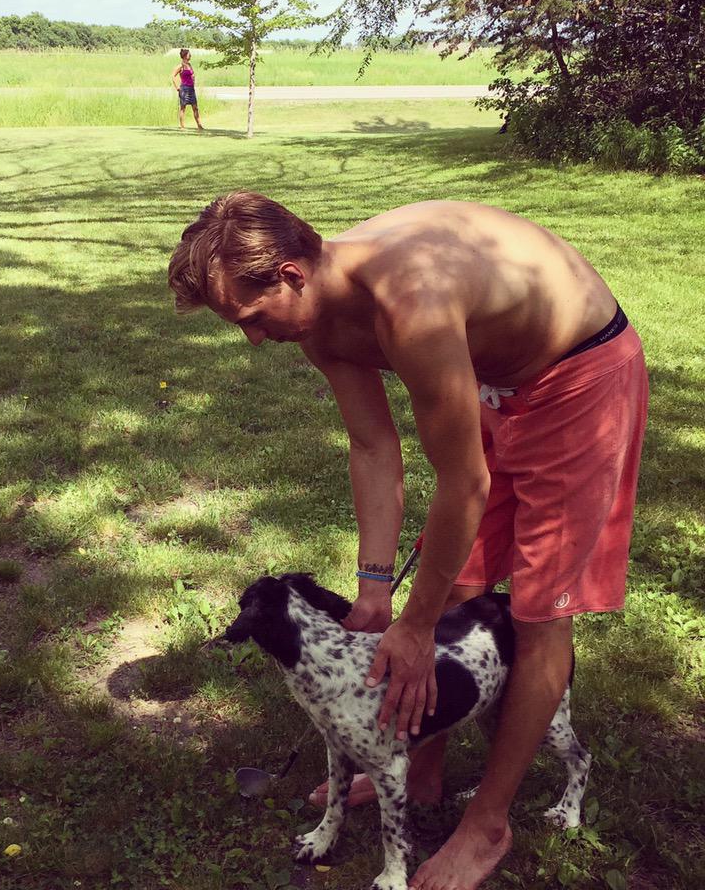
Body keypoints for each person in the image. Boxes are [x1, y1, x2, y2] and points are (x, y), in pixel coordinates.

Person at [167, 191, 648, 890]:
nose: (255, 340)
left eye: (252, 318)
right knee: (459, 587)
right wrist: (374, 592)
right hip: (499, 383)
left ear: (292, 274)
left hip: (579, 375)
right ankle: (420, 770)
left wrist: (416, 627)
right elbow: (371, 445)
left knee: (539, 612)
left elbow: (464, 483)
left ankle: (488, 824)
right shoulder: (318, 320)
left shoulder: (411, 303)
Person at [171, 48, 204, 131]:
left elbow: (192, 75)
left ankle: (199, 126)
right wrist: (177, 88)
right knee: (183, 108)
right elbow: (173, 76)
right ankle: (182, 127)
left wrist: (194, 81)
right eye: (189, 54)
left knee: (195, 107)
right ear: (185, 55)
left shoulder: (189, 65)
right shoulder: (180, 66)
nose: (190, 55)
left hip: (191, 89)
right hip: (184, 89)